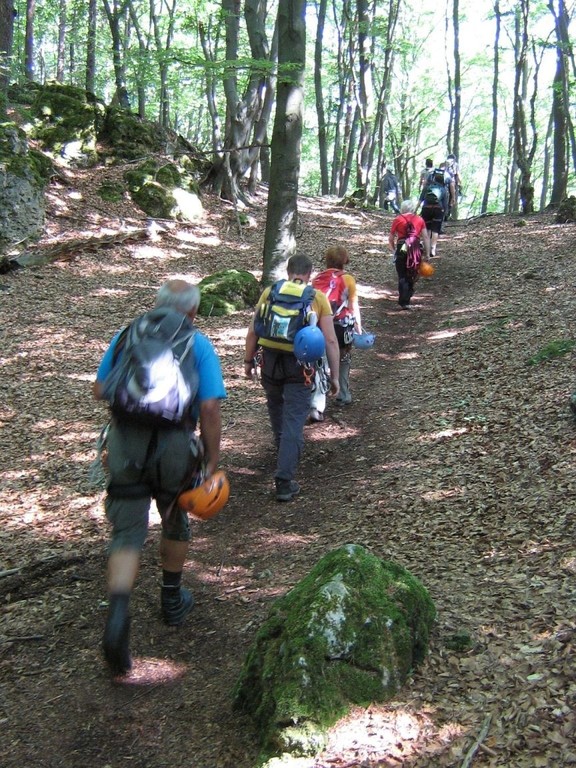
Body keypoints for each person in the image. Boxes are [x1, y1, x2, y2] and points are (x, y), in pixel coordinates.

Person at [93, 279, 227, 676]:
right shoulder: (198, 344)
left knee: (127, 532)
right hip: (174, 446)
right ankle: (172, 600)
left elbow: (100, 389)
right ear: (193, 311)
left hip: (125, 443)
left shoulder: (126, 334)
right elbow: (210, 407)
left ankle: (118, 612)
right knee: (175, 517)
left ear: (156, 305)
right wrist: (211, 461)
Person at [244, 254, 340, 502]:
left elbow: (254, 329)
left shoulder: (271, 292)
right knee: (294, 419)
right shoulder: (317, 298)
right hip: (300, 367)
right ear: (310, 274)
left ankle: (283, 453)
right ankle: (284, 480)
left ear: (288, 272)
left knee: (276, 408)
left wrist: (247, 360)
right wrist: (334, 377)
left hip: (269, 361)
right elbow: (330, 340)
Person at [309, 245, 363, 420]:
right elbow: (353, 306)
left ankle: (318, 403)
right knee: (344, 358)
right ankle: (343, 394)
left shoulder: (317, 279)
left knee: (320, 362)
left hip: (320, 325)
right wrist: (358, 328)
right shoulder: (348, 279)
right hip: (341, 325)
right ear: (344, 261)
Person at [388, 200, 431, 309]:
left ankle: (403, 301)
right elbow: (425, 237)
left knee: (402, 272)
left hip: (402, 246)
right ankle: (407, 296)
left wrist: (394, 251)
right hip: (415, 247)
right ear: (412, 209)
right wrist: (427, 253)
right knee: (413, 271)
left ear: (402, 208)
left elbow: (391, 238)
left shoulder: (398, 219)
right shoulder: (420, 219)